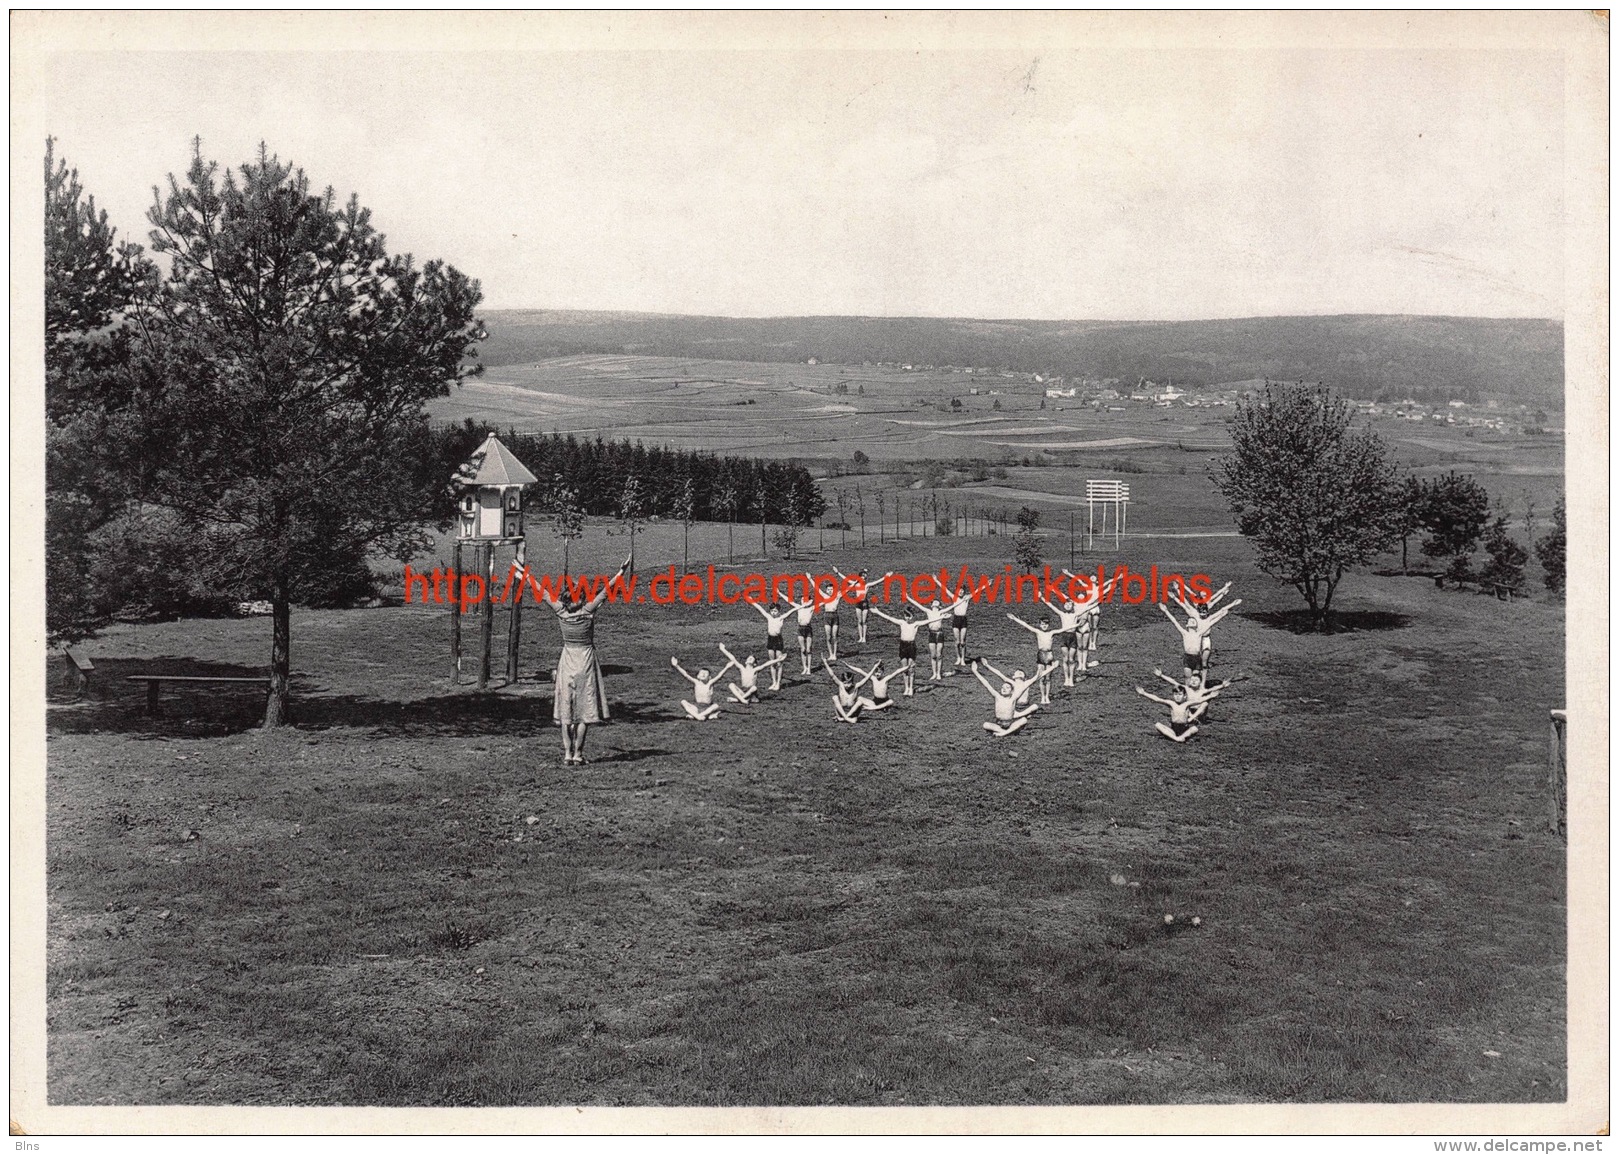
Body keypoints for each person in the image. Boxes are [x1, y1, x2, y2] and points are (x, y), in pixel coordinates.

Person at [539, 554, 631, 764]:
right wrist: (621, 571)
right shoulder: (588, 612)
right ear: (580, 597)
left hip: (567, 660)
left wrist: (523, 573)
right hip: (586, 661)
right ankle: (579, 754)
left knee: (566, 711)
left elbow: (542, 592)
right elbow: (607, 591)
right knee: (584, 712)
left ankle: (567, 753)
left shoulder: (561, 612)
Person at [1159, 597, 1239, 679]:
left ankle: (1202, 679)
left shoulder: (1209, 618)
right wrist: (1175, 596)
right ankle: (1198, 678)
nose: (1203, 614)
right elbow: (1184, 605)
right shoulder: (1195, 618)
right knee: (1198, 660)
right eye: (1201, 612)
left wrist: (1232, 604)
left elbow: (1219, 612)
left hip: (1205, 639)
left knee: (1204, 661)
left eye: (1204, 612)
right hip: (1197, 640)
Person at [971, 660, 1050, 737]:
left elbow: (1030, 683)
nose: (1004, 689)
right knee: (986, 725)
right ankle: (1006, 732)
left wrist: (1037, 675)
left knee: (1024, 720)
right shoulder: (997, 696)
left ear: (1012, 691)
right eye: (1003, 687)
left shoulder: (1013, 698)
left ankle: (1003, 733)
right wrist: (975, 671)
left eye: (1007, 687)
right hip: (999, 724)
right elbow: (986, 683)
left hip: (1011, 724)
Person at [1170, 584, 1241, 668]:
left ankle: (1204, 667)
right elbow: (1185, 602)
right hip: (1198, 638)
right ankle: (1198, 668)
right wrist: (1177, 591)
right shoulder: (1194, 611)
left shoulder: (1207, 607)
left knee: (1206, 654)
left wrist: (1231, 602)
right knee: (1198, 656)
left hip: (1206, 637)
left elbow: (1218, 604)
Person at [867, 603, 923, 695]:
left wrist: (941, 618)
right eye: (906, 616)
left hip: (912, 646)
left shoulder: (916, 624)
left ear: (913, 616)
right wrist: (878, 612)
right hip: (903, 646)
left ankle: (911, 688)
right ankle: (906, 688)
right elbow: (889, 618)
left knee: (911, 668)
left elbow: (929, 621)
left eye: (909, 616)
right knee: (904, 668)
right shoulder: (902, 622)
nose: (907, 618)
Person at [1007, 613, 1062, 703]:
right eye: (1043, 624)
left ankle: (1046, 696)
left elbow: (1064, 629)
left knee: (1048, 677)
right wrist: (1015, 619)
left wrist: (1077, 624)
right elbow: (1026, 625)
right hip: (1041, 654)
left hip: (1049, 654)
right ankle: (1042, 696)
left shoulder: (1051, 633)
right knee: (1041, 676)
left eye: (1046, 624)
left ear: (1048, 625)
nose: (1044, 626)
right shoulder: (1038, 632)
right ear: (1040, 625)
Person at [748, 596, 800, 689]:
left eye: (775, 611)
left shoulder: (781, 618)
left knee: (779, 662)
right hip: (770, 640)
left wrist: (804, 605)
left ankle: (778, 683)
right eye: (772, 611)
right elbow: (759, 608)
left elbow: (793, 610)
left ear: (779, 611)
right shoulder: (768, 617)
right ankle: (774, 682)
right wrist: (751, 600)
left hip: (778, 640)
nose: (773, 613)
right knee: (772, 662)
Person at [834, 566, 893, 644]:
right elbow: (846, 579)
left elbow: (877, 581)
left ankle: (864, 637)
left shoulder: (867, 585)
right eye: (862, 577)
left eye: (865, 578)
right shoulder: (856, 584)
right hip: (858, 603)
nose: (864, 579)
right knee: (859, 621)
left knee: (864, 621)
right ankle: (860, 637)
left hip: (864, 603)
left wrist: (886, 576)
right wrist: (837, 573)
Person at [1135, 683, 1208, 743]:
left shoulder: (1187, 704)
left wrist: (1211, 695)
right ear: (1173, 695)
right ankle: (1176, 738)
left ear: (1185, 696)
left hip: (1184, 729)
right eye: (1175, 694)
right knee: (1158, 725)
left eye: (1180, 694)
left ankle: (1180, 737)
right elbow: (1157, 699)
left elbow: (1199, 700)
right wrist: (1144, 693)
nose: (1177, 697)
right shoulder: (1171, 703)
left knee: (1195, 729)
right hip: (1173, 729)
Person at [671, 655, 735, 721]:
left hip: (707, 707)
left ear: (709, 677)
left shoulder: (710, 683)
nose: (703, 674)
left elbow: (719, 675)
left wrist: (727, 667)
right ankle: (698, 716)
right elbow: (686, 675)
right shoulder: (696, 682)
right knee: (683, 702)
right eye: (701, 673)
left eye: (705, 673)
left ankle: (696, 716)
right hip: (696, 707)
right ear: (698, 676)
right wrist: (676, 666)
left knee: (716, 706)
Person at [905, 595, 953, 681]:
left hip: (939, 634)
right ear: (931, 606)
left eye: (936, 601)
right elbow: (918, 605)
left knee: (939, 655)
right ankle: (934, 673)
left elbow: (953, 606)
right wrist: (908, 597)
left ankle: (938, 673)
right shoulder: (928, 612)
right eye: (933, 602)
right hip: (931, 634)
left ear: (939, 605)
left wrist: (962, 600)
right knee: (933, 655)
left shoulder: (941, 612)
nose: (935, 602)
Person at [721, 644, 786, 704]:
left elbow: (766, 664)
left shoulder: (755, 670)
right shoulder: (742, 668)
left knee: (754, 688)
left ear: (754, 664)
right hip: (743, 692)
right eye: (748, 658)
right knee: (731, 685)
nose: (749, 659)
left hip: (752, 693)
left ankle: (738, 700)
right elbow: (732, 658)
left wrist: (778, 660)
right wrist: (723, 649)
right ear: (746, 662)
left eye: (751, 659)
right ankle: (743, 699)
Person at [806, 572, 845, 660]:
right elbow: (816, 588)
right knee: (828, 637)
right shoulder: (825, 596)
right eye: (828, 590)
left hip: (835, 616)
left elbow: (847, 588)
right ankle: (830, 654)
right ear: (826, 590)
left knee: (834, 636)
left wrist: (853, 583)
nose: (830, 591)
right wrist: (810, 579)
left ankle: (834, 654)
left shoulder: (837, 596)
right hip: (827, 616)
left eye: (831, 589)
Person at [823, 658, 875, 723]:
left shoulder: (856, 686)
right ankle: (845, 718)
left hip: (852, 713)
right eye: (845, 683)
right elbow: (832, 675)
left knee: (860, 700)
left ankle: (843, 719)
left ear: (852, 682)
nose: (847, 685)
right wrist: (825, 663)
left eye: (849, 683)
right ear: (842, 682)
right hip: (841, 712)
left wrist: (874, 667)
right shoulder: (841, 685)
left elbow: (867, 678)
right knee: (835, 697)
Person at [977, 659, 1042, 710]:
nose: (1020, 673)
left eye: (1021, 673)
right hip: (1015, 705)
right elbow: (999, 674)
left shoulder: (1027, 683)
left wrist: (1050, 668)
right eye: (1018, 672)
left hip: (1026, 704)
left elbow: (1039, 676)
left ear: (1024, 677)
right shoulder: (1012, 683)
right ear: (1014, 677)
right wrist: (987, 665)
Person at [791, 594, 818, 676]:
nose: (803, 601)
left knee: (808, 649)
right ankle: (804, 668)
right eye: (802, 600)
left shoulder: (811, 608)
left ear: (809, 601)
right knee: (803, 649)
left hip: (808, 629)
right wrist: (778, 592)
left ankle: (809, 668)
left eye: (805, 600)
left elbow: (823, 602)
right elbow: (789, 601)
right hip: (800, 629)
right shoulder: (798, 607)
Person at [948, 585, 971, 668]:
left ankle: (963, 659)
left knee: (962, 642)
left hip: (963, 620)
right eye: (959, 590)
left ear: (964, 591)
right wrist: (936, 581)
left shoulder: (966, 598)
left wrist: (986, 585)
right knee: (957, 641)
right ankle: (958, 657)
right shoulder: (954, 597)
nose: (961, 592)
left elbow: (976, 592)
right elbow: (945, 589)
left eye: (962, 590)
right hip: (956, 619)